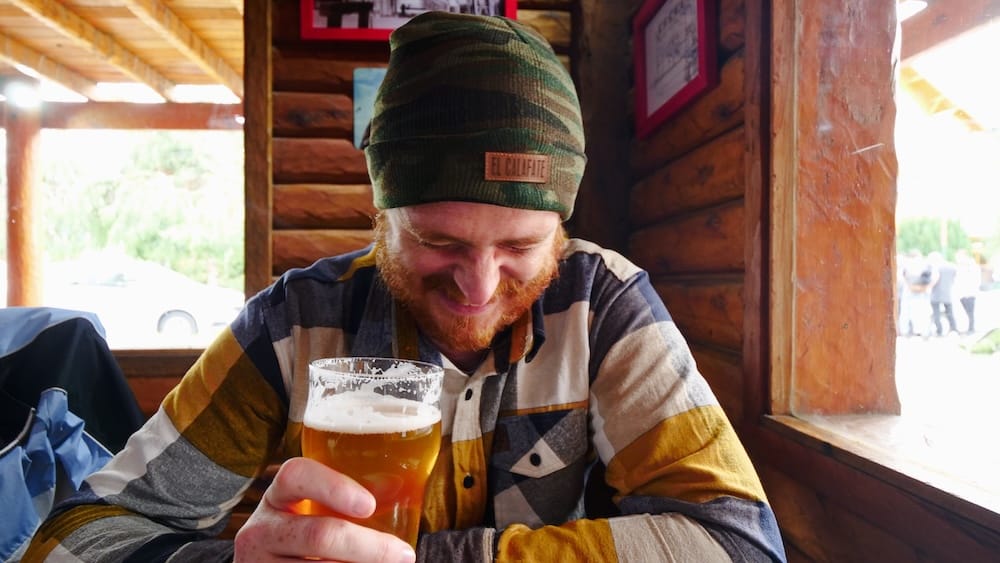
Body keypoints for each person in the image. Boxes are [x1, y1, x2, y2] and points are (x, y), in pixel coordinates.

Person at [25, 12, 786, 563]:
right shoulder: (293, 324)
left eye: (521, 245)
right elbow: (70, 537)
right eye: (438, 240)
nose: (479, 288)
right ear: (383, 214)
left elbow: (739, 544)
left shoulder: (606, 305)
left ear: (562, 226)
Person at [898, 249, 933, 338]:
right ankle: (923, 332)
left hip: (912, 291)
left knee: (907, 313)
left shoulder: (907, 266)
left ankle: (906, 331)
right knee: (921, 313)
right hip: (920, 291)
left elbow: (904, 277)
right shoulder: (925, 265)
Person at [928, 251, 958, 337]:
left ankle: (939, 330)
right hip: (947, 293)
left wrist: (928, 287)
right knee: (949, 312)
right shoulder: (951, 267)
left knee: (936, 313)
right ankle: (954, 328)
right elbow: (954, 278)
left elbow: (935, 279)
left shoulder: (936, 268)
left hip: (936, 294)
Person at [954, 249, 981, 334]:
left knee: (970, 312)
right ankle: (969, 328)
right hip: (962, 292)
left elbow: (976, 279)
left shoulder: (971, 265)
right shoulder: (959, 266)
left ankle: (971, 328)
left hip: (969, 292)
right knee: (966, 312)